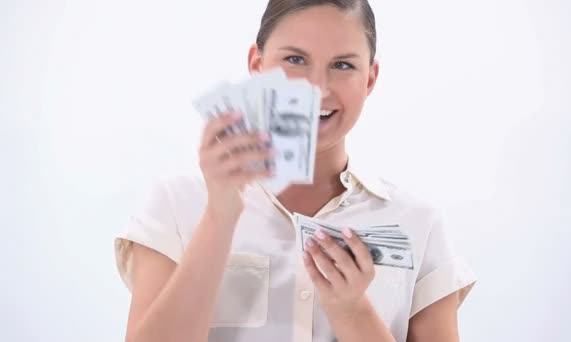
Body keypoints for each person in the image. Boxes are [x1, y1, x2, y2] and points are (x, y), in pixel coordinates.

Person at [114, 1, 477, 341]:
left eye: (343, 65)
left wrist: (351, 311)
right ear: (256, 64)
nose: (317, 89)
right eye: (295, 59)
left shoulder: (417, 223)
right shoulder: (178, 205)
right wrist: (219, 219)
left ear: (370, 78)